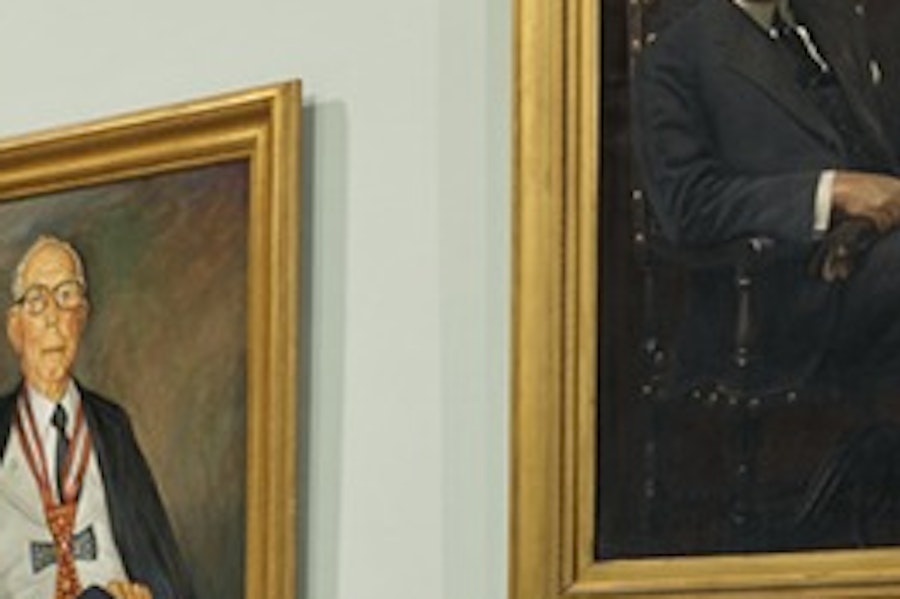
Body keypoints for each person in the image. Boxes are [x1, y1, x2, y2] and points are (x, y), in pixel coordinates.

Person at [633, 0, 900, 550]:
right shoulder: (677, 52)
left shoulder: (830, 25)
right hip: (779, 295)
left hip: (873, 259)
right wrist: (831, 191)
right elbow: (687, 205)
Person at [0, 236, 195, 599]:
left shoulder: (112, 427)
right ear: (16, 328)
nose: (53, 318)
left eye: (66, 296)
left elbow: (157, 560)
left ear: (82, 318)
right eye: (37, 301)